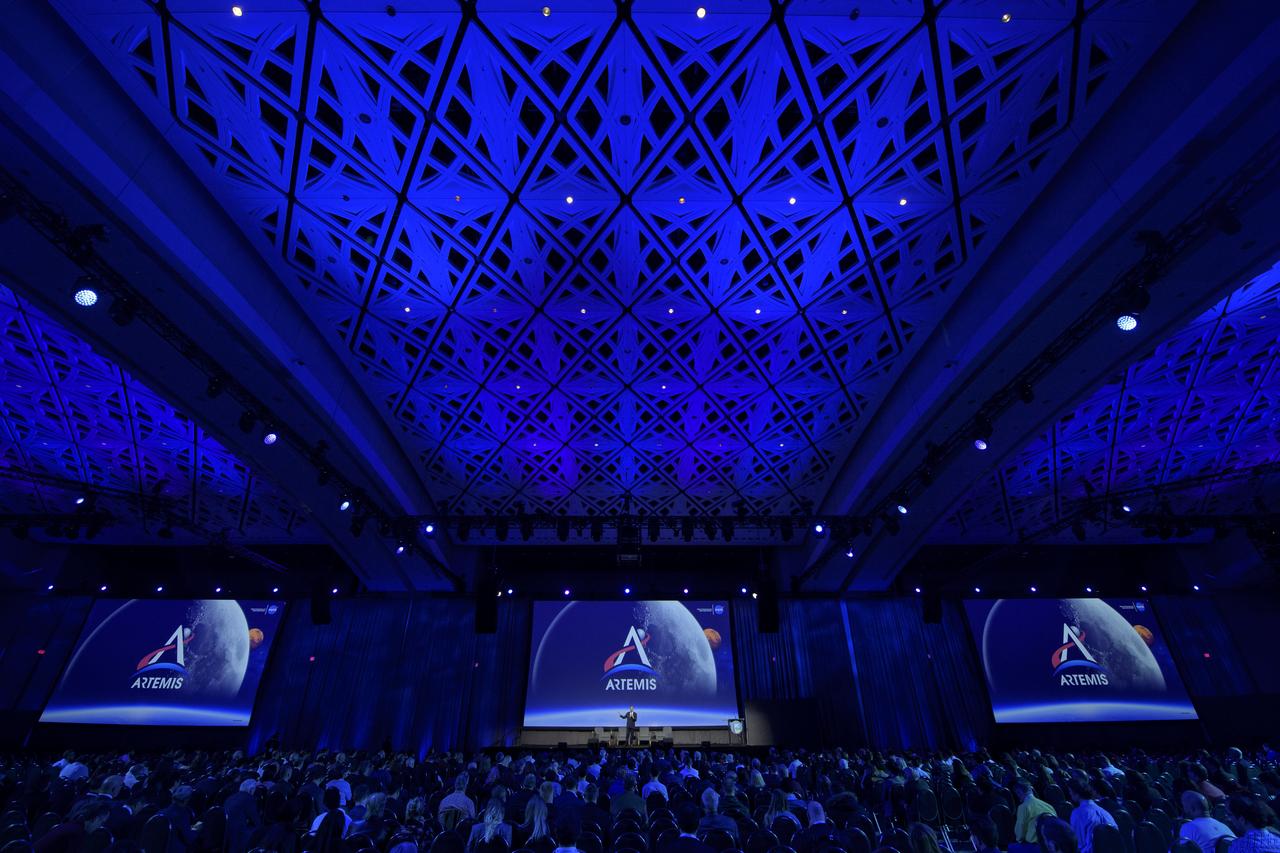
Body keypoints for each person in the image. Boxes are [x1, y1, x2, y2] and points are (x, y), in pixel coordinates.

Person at [1067, 779, 1117, 853]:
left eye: (1070, 791)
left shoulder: (1077, 813)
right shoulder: (1104, 812)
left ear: (1076, 793)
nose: (1069, 794)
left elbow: (1079, 844)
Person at [1015, 779, 1058, 844]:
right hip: (1051, 843)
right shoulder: (1049, 806)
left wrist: (1019, 840)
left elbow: (1020, 832)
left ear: (1019, 792)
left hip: (1034, 845)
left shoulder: (1023, 807)